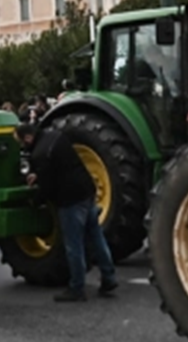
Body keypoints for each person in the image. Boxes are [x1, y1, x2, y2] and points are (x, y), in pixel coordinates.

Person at [19, 122, 118, 302]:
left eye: (22, 142)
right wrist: (39, 175)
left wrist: (35, 201)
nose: (23, 146)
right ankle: (109, 277)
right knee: (96, 237)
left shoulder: (39, 153)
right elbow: (59, 165)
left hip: (70, 199)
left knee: (74, 245)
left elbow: (47, 185)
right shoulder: (55, 136)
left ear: (27, 138)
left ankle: (77, 288)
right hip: (87, 191)